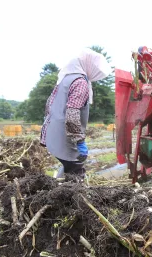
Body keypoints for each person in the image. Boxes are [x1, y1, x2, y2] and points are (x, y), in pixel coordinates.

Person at [40, 48, 111, 180]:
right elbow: (72, 112)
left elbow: (49, 105)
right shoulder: (80, 83)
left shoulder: (65, 79)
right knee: (76, 172)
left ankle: (56, 188)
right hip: (64, 137)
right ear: (87, 65)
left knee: (69, 167)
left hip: (52, 134)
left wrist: (46, 130)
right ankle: (73, 198)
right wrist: (79, 141)